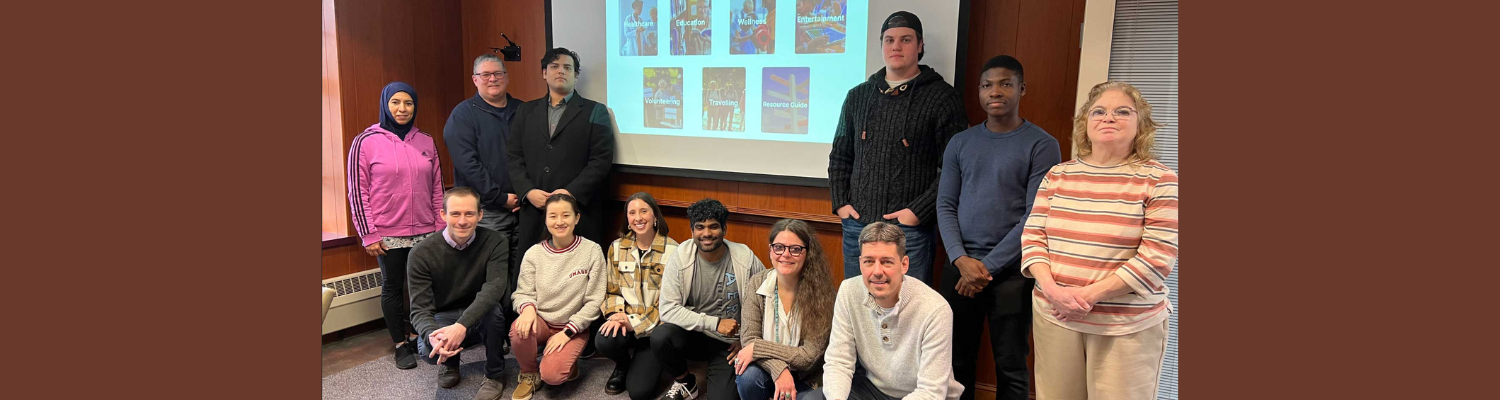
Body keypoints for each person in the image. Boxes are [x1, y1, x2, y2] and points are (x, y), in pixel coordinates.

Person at [1020, 81, 1178, 400]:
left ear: (1141, 125)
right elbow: (1033, 238)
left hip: (1125, 327)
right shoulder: (1058, 175)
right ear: (1085, 124)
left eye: (1122, 111)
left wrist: (1087, 296)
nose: (1109, 117)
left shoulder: (1160, 180)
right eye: (1099, 111)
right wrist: (1054, 292)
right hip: (1055, 315)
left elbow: (1156, 259)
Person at [936, 55, 1061, 400]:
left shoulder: (1042, 144)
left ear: (1021, 89)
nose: (996, 91)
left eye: (1006, 84)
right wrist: (961, 259)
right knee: (956, 361)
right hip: (960, 267)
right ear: (978, 91)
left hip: (1011, 272)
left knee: (1011, 364)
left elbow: (1035, 216)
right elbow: (945, 205)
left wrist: (986, 268)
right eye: (988, 84)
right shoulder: (961, 143)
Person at [827, 10, 968, 283]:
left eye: (905, 39)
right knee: (858, 308)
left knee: (908, 313)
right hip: (858, 228)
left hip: (909, 232)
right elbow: (840, 156)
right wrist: (841, 203)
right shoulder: (857, 96)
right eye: (889, 40)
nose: (896, 46)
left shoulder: (943, 98)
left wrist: (919, 212)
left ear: (920, 45)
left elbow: (955, 167)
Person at [346, 81, 445, 370]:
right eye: (396, 103)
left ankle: (417, 336)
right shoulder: (365, 142)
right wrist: (368, 233)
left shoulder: (426, 140)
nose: (402, 109)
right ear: (386, 105)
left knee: (420, 287)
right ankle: (400, 344)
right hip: (387, 231)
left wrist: (440, 224)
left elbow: (437, 186)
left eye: (409, 103)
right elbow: (357, 191)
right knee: (393, 286)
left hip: (426, 228)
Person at [814, 222, 964, 400]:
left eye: (887, 262)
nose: (877, 271)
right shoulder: (848, 291)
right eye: (869, 261)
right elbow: (839, 362)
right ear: (861, 263)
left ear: (904, 264)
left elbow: (931, 392)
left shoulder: (936, 309)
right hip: (871, 389)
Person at [507, 47, 615, 266]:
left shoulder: (596, 111)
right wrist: (527, 191)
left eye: (568, 67)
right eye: (554, 66)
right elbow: (514, 156)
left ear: (576, 75)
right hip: (535, 210)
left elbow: (601, 160)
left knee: (578, 276)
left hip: (577, 211)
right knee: (531, 276)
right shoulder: (525, 111)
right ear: (544, 73)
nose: (561, 71)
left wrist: (569, 193)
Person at [445, 54, 524, 345]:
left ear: (506, 76)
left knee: (521, 273)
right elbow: (468, 164)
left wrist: (523, 195)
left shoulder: (522, 110)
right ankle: (494, 333)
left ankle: (516, 331)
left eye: (498, 73)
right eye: (485, 74)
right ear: (475, 79)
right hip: (488, 211)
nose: (493, 79)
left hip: (524, 208)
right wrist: (500, 197)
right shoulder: (463, 115)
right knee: (493, 275)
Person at [654, 198, 765, 400]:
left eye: (713, 226)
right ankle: (686, 382)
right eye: (700, 227)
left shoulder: (744, 258)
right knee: (662, 336)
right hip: (695, 334)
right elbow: (667, 309)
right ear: (692, 231)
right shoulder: (681, 257)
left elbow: (765, 301)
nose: (706, 233)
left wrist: (748, 340)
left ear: (724, 228)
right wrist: (714, 323)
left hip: (729, 343)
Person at [406, 187, 512, 399]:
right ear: (443, 214)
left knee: (494, 312)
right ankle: (450, 364)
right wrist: (431, 336)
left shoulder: (495, 242)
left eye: (469, 213)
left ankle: (495, 374)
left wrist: (461, 326)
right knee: (428, 351)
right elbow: (419, 309)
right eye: (455, 213)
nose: (462, 221)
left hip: (481, 311)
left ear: (480, 215)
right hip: (444, 315)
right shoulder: (421, 253)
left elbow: (495, 288)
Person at [509, 193, 609, 400]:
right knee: (519, 330)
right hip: (542, 322)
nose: (560, 221)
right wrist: (527, 310)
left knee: (553, 376)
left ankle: (565, 363)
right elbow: (523, 292)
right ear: (545, 220)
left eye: (566, 215)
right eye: (553, 216)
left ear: (577, 218)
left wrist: (568, 332)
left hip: (573, 327)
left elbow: (595, 300)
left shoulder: (592, 251)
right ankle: (528, 374)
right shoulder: (534, 253)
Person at [732, 219, 836, 400]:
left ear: (808, 253)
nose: (785, 255)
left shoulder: (823, 293)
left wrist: (757, 347)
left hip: (807, 376)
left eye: (795, 249)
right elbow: (749, 338)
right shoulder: (757, 282)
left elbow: (808, 357)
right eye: (779, 247)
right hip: (766, 367)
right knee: (748, 377)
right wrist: (780, 370)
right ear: (770, 250)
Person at [596, 192, 679, 400]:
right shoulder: (617, 248)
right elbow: (612, 290)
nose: (638, 217)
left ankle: (643, 362)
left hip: (655, 329)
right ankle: (623, 364)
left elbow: (670, 304)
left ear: (655, 217)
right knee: (604, 339)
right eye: (632, 213)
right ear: (627, 219)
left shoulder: (674, 251)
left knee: (639, 392)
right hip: (625, 322)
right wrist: (616, 315)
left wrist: (634, 323)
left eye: (644, 211)